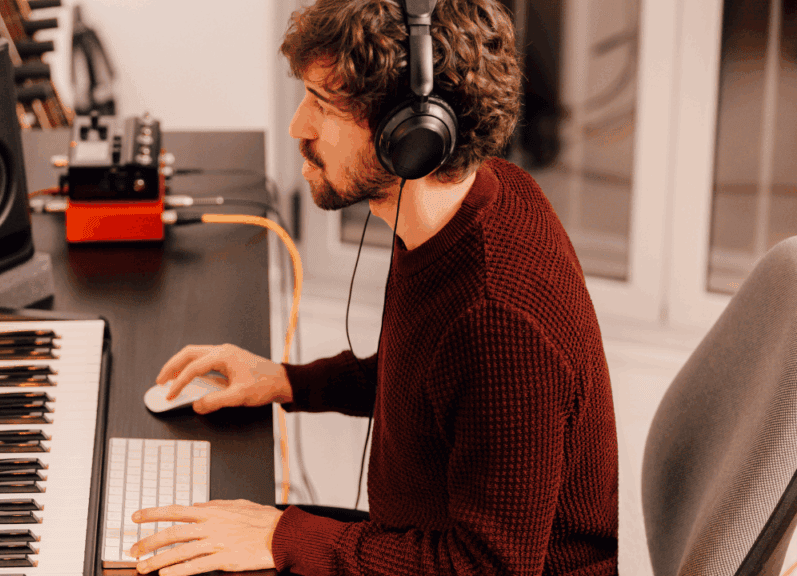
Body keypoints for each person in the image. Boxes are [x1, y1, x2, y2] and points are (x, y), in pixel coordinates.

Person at [127, 1, 619, 574]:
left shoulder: (499, 318)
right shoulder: (470, 202)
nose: (298, 128)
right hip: (419, 544)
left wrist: (285, 537)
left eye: (322, 105)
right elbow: (423, 380)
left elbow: (489, 567)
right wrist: (287, 381)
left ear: (409, 139)